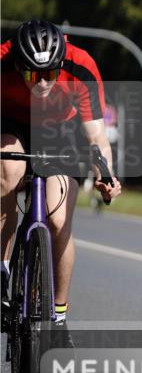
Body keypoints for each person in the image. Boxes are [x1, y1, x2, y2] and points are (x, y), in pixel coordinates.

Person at [1, 20, 122, 328]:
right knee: (9, 170)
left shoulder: (80, 65)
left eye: (50, 74)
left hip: (61, 128)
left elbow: (96, 137)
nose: (43, 83)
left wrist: (106, 174)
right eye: (33, 75)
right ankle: (2, 271)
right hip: (10, 122)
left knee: (58, 220)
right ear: (18, 65)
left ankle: (59, 315)